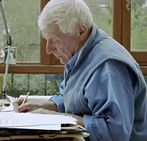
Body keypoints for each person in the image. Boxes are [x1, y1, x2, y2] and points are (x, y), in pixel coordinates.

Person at [13, 0, 147, 140]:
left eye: (55, 40)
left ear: (81, 31)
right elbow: (77, 101)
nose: (48, 49)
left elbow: (114, 133)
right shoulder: (81, 55)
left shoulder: (107, 67)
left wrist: (57, 119)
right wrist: (46, 105)